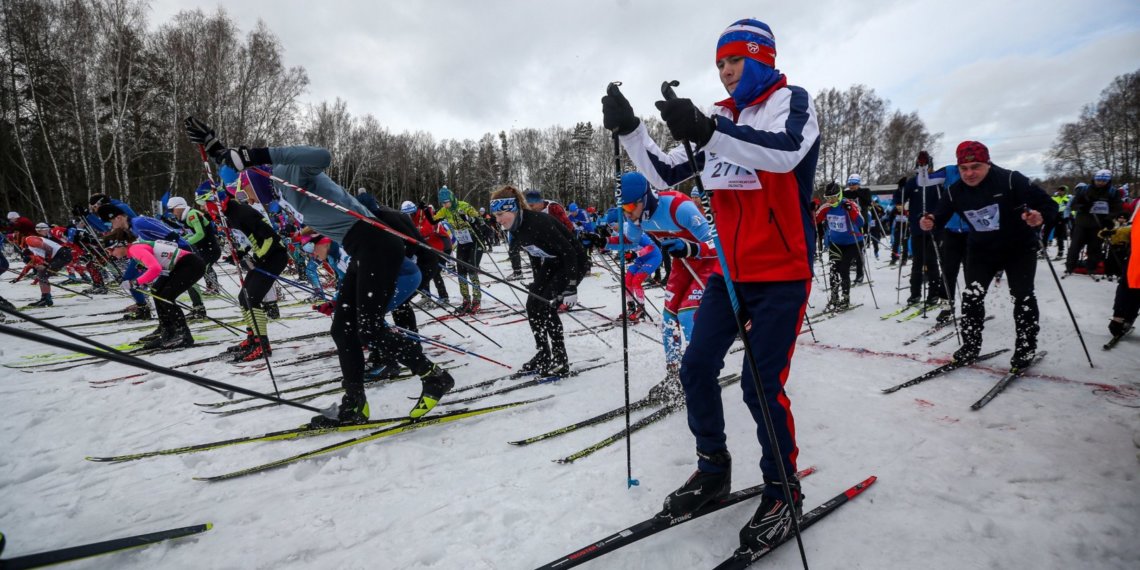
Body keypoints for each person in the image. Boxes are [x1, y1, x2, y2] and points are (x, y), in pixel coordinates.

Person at [602, 17, 818, 552]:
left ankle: (783, 490)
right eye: (720, 63)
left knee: (759, 385)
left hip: (782, 273)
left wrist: (709, 130)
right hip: (730, 273)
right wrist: (631, 130)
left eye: (734, 60)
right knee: (696, 366)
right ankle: (713, 468)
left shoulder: (791, 102)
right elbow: (662, 173)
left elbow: (785, 152)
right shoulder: (718, 120)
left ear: (761, 58)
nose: (725, 71)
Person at [186, 116, 453, 424]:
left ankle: (433, 376)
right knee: (342, 329)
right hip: (361, 249)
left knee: (367, 326)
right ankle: (354, 404)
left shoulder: (285, 174)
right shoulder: (279, 192)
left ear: (252, 179)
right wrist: (217, 150)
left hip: (376, 242)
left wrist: (255, 155)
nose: (245, 199)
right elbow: (235, 168)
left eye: (243, 191)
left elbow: (322, 156)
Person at [920, 141, 1057, 369]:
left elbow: (1050, 205)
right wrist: (930, 221)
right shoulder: (955, 191)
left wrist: (1040, 217)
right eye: (964, 168)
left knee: (1022, 296)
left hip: (1018, 248)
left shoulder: (1011, 179)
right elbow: (939, 216)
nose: (969, 173)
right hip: (981, 250)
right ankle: (970, 346)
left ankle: (1025, 348)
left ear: (988, 163)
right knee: (972, 296)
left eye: (976, 167)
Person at [616, 172, 719, 395]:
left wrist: (692, 247)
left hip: (707, 261)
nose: (627, 212)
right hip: (683, 263)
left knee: (687, 315)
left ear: (645, 198)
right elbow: (632, 241)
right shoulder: (636, 216)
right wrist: (603, 240)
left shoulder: (679, 207)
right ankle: (674, 375)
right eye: (623, 208)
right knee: (668, 318)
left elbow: (717, 242)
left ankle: (699, 373)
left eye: (630, 206)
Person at [489, 185, 588, 376]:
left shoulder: (538, 222)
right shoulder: (516, 227)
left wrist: (571, 287)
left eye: (500, 214)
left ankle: (560, 359)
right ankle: (543, 353)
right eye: (496, 215)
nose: (498, 220)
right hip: (553, 261)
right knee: (533, 304)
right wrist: (538, 283)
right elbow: (534, 252)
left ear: (514, 208)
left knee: (547, 306)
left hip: (573, 262)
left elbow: (569, 252)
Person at [105, 229, 205, 348]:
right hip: (181, 265)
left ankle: (183, 334)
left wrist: (135, 282)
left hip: (190, 264)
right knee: (156, 291)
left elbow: (155, 268)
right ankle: (167, 331)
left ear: (121, 244)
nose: (110, 254)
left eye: (111, 249)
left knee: (165, 297)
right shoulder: (134, 248)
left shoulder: (135, 249)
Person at [894, 151, 946, 307]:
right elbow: (899, 200)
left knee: (931, 261)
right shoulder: (913, 182)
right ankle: (915, 294)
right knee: (917, 262)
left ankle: (933, 294)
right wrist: (900, 189)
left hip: (935, 228)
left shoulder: (937, 181)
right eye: (920, 166)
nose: (923, 169)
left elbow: (946, 200)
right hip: (917, 228)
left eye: (925, 166)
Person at [433, 186, 484, 315]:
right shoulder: (445, 210)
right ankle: (466, 300)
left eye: (446, 202)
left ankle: (476, 300)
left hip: (474, 241)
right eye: (442, 203)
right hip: (462, 242)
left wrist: (469, 218)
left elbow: (480, 220)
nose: (445, 205)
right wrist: (425, 211)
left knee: (471, 270)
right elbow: (432, 220)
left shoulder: (464, 206)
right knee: (461, 271)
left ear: (451, 199)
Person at [815, 181, 863, 311]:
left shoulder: (849, 204)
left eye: (833, 197)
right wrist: (811, 209)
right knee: (833, 270)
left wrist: (851, 210)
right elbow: (814, 220)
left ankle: (845, 298)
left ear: (840, 195)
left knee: (843, 269)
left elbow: (861, 222)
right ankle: (834, 297)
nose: (830, 200)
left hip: (852, 243)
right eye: (828, 198)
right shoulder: (826, 207)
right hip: (836, 243)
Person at [1066, 169, 1123, 275]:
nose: (1100, 183)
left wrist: (1109, 219)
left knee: (1095, 247)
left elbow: (1117, 208)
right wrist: (1083, 207)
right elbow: (1073, 205)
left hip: (1099, 224)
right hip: (1082, 223)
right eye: (1098, 180)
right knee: (1075, 245)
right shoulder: (1084, 190)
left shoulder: (1113, 192)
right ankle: (1070, 266)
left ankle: (1091, 268)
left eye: (1103, 181)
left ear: (1108, 181)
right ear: (1094, 179)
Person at [10, 218, 72, 307]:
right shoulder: (31, 245)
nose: (16, 242)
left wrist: (44, 264)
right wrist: (42, 264)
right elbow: (38, 259)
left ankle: (46, 299)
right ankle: (46, 298)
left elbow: (49, 249)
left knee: (43, 275)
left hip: (62, 254)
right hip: (61, 255)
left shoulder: (30, 239)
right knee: (42, 274)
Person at [845, 174, 872, 281]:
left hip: (861, 223)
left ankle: (860, 274)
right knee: (849, 247)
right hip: (849, 223)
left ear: (859, 183)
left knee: (860, 249)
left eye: (854, 184)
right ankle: (851, 264)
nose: (851, 186)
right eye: (850, 184)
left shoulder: (865, 191)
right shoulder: (846, 193)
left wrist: (856, 193)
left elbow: (868, 202)